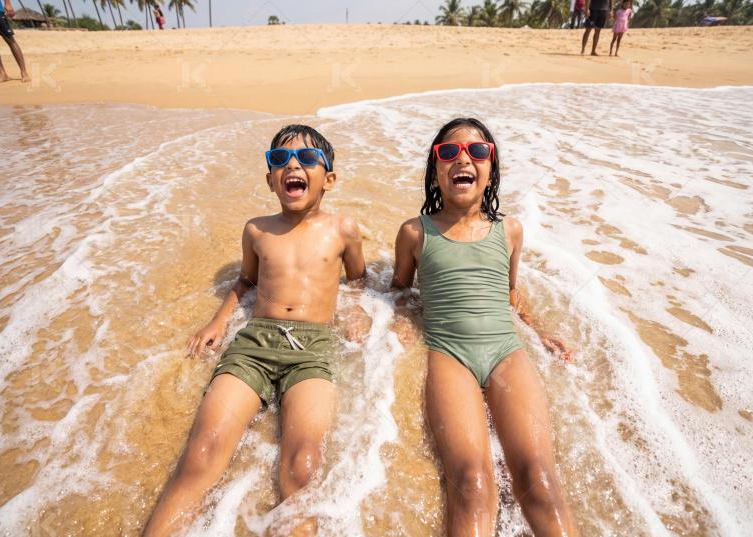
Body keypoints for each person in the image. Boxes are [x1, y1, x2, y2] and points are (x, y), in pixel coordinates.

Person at [143, 125, 366, 537]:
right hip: (254, 344)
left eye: (307, 159)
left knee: (303, 465)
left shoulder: (343, 229)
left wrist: (355, 311)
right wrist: (219, 320)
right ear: (269, 178)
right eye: (279, 160)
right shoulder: (257, 230)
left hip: (313, 348)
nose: (292, 166)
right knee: (203, 452)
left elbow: (357, 279)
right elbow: (245, 281)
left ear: (329, 178)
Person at [392, 118, 578, 536]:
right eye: (449, 152)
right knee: (472, 483)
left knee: (540, 479)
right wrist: (403, 322)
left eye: (478, 152)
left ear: (491, 170)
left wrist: (538, 328)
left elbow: (510, 292)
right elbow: (399, 291)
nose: (464, 159)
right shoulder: (414, 233)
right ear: (435, 170)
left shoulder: (508, 231)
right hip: (449, 356)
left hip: (506, 353)